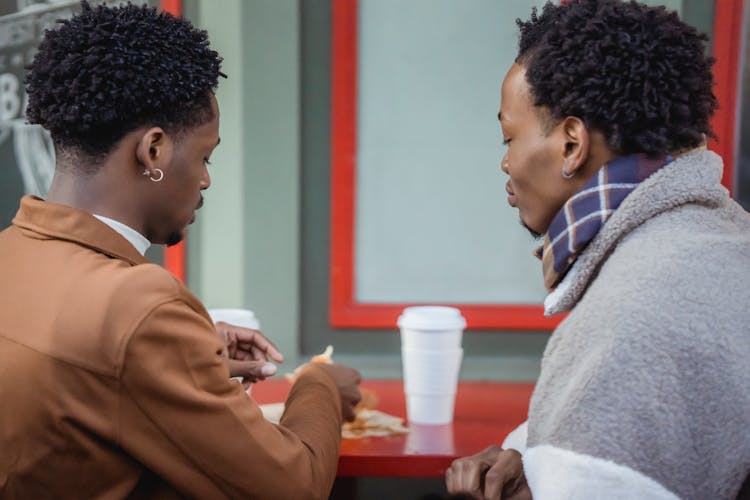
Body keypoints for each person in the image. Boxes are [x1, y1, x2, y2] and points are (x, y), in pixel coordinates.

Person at [0, 2, 361, 498]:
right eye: (204, 156)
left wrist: (188, 349)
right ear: (153, 151)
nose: (207, 179)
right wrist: (319, 387)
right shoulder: (138, 306)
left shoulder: (11, 254)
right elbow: (293, 487)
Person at [446, 1, 750, 498]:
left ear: (571, 144)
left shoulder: (632, 312)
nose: (506, 163)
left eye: (509, 138)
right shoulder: (717, 242)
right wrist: (534, 455)